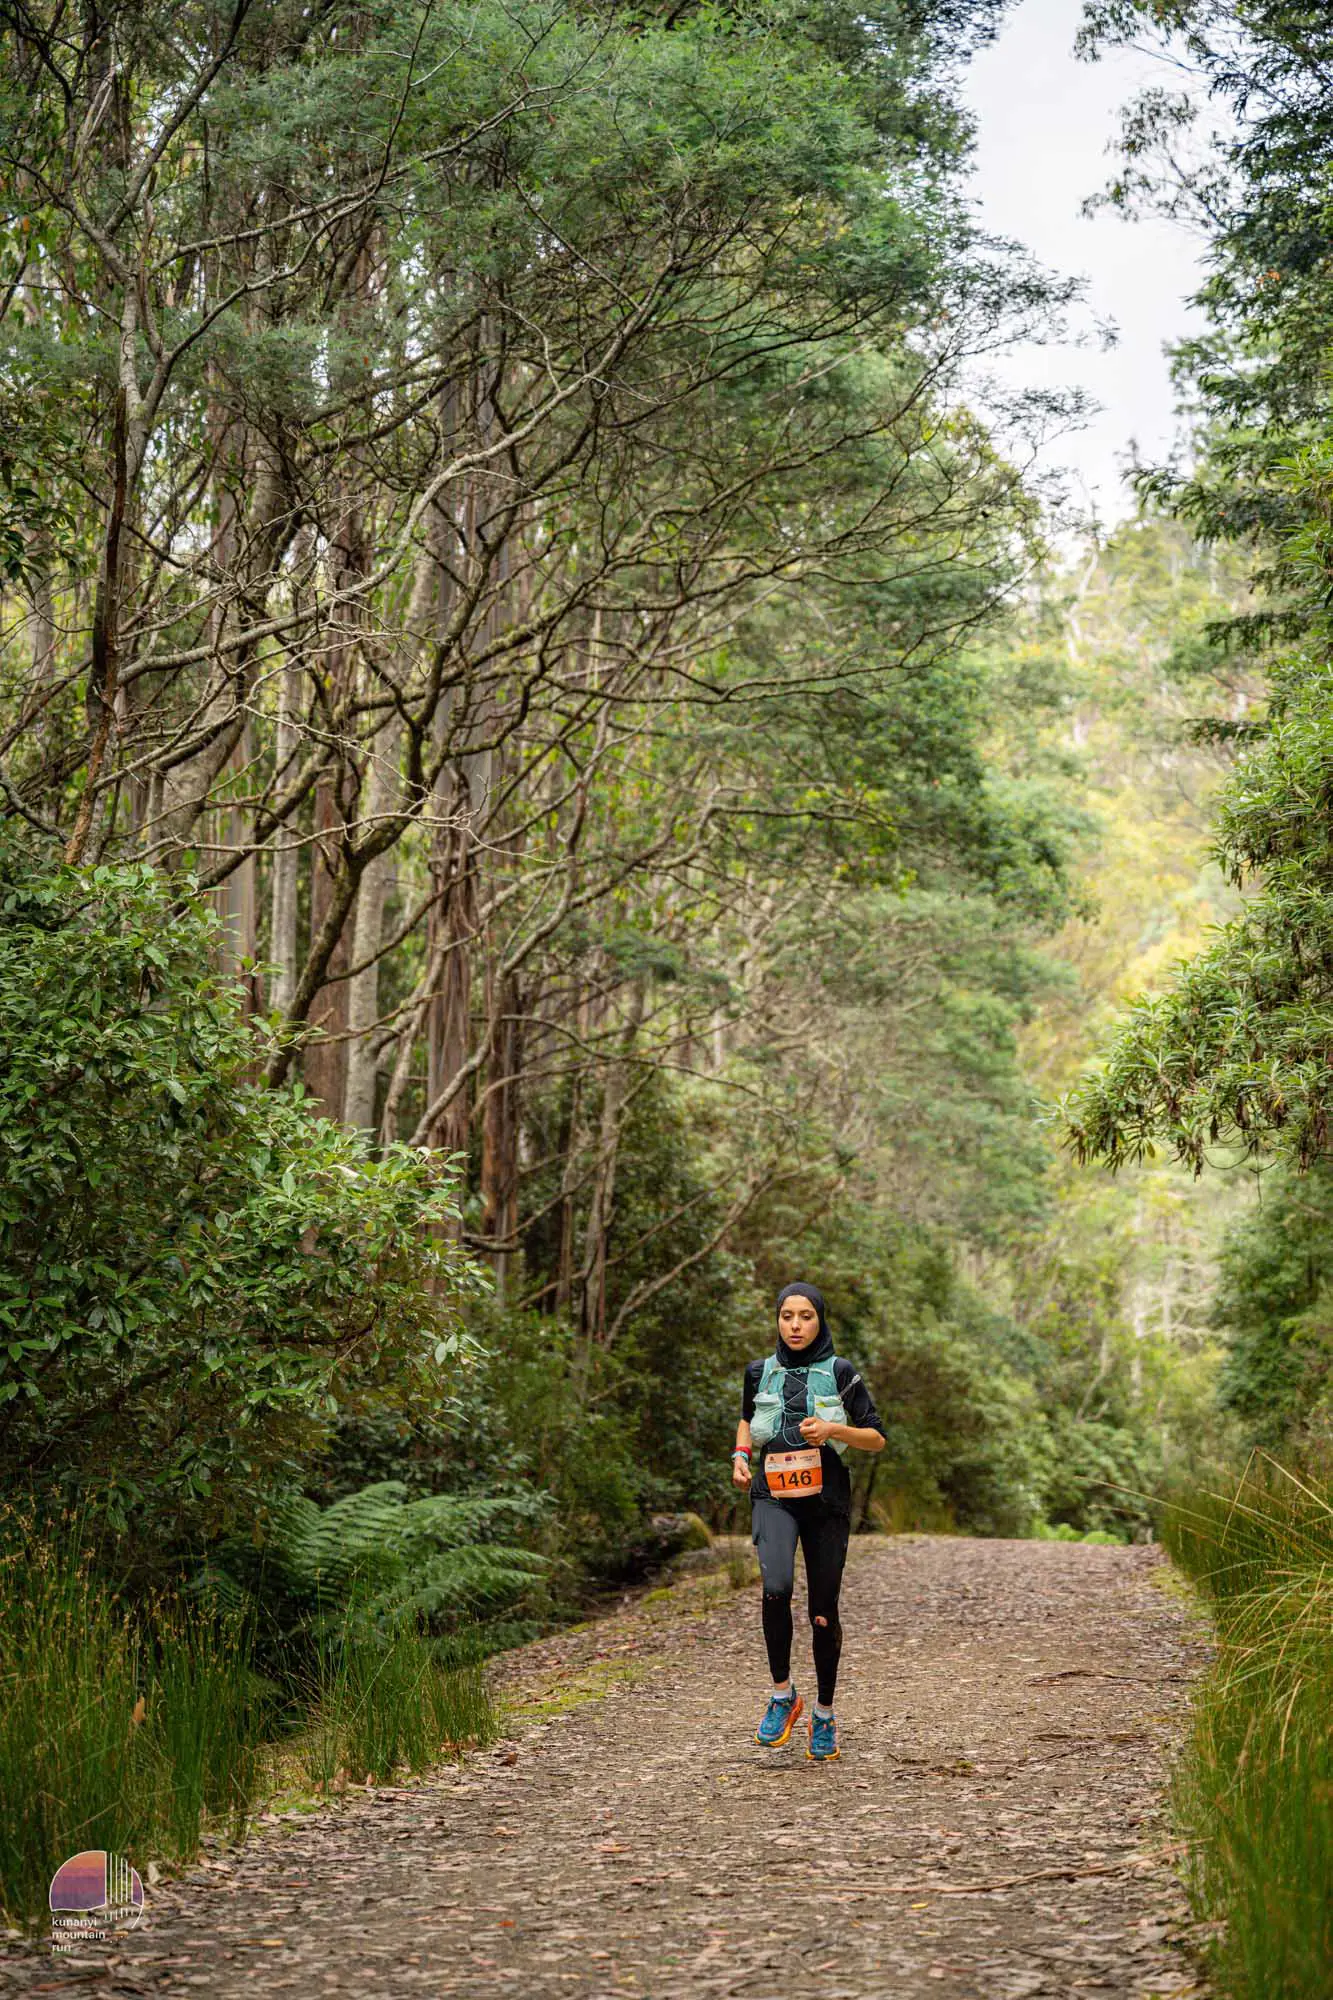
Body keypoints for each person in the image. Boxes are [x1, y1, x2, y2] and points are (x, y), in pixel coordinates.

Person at [732, 1282, 886, 1761]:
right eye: (786, 1316)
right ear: (777, 1321)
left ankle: (823, 1713)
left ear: (820, 1320)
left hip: (826, 1501)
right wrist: (740, 1455)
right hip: (773, 1495)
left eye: (805, 1316)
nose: (795, 1325)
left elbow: (876, 1438)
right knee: (775, 1587)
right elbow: (745, 1420)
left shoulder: (840, 1372)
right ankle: (783, 1697)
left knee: (823, 1611)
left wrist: (833, 1429)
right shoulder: (759, 1372)